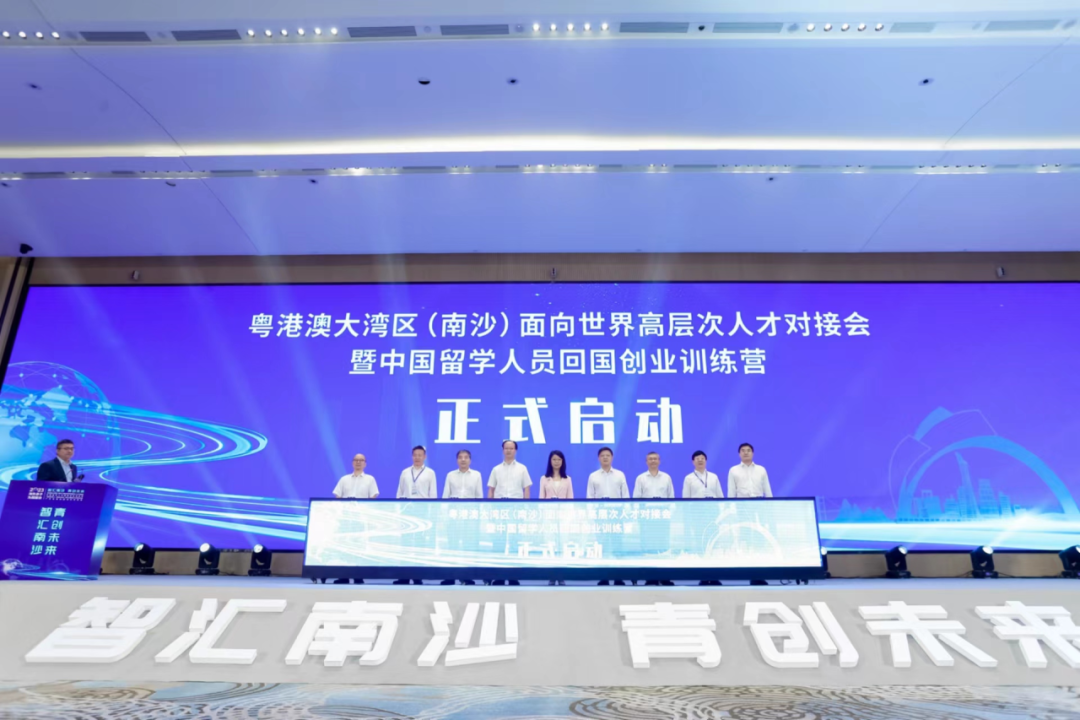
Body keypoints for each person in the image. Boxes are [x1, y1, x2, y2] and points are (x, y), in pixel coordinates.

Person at [488, 440, 532, 585]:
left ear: (515, 451)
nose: (508, 451)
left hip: (516, 509)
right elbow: (491, 490)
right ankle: (499, 576)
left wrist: (525, 508)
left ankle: (513, 576)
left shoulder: (522, 468)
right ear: (502, 450)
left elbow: (526, 489)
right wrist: (491, 509)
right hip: (499, 509)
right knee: (498, 542)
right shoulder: (496, 469)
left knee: (514, 542)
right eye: (506, 448)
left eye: (511, 448)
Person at [727, 442, 772, 585]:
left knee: (760, 536)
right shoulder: (733, 470)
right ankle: (748, 570)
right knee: (745, 537)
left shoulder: (761, 469)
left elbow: (767, 489)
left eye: (748, 450)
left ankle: (759, 574)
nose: (746, 453)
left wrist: (771, 505)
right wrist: (732, 508)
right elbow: (731, 491)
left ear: (753, 453)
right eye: (743, 450)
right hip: (742, 505)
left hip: (759, 504)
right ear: (739, 454)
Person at [330, 453, 378, 584]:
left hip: (360, 519)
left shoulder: (370, 479)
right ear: (352, 463)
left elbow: (373, 497)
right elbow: (337, 495)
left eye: (361, 460)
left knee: (359, 546)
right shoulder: (344, 479)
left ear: (365, 464)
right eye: (356, 460)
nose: (358, 462)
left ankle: (358, 576)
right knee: (343, 546)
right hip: (345, 519)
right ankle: (343, 576)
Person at [395, 445, 438, 585]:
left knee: (420, 543)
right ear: (412, 456)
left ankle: (418, 575)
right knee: (405, 543)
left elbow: (433, 494)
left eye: (420, 455)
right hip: (407, 511)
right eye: (415, 455)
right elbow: (399, 492)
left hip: (422, 511)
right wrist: (399, 511)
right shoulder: (405, 472)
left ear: (425, 457)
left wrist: (431, 514)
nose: (417, 457)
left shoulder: (430, 473)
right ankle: (404, 576)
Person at [587, 447, 629, 586]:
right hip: (600, 514)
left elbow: (625, 495)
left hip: (617, 514)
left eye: (608, 455)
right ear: (599, 458)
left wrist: (626, 514)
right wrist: (592, 515)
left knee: (618, 546)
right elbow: (590, 497)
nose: (605, 458)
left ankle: (618, 577)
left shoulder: (620, 475)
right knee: (602, 547)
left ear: (612, 457)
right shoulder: (593, 476)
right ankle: (603, 577)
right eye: (602, 455)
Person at [633, 451, 675, 586]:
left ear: (659, 461)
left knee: (663, 547)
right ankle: (650, 577)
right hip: (647, 516)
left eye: (655, 459)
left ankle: (664, 577)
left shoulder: (666, 477)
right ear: (646, 462)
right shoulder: (641, 478)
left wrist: (669, 514)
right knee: (648, 547)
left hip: (662, 516)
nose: (653, 461)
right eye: (650, 459)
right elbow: (636, 498)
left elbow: (671, 497)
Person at [442, 449, 483, 585]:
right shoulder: (450, 475)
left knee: (468, 546)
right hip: (453, 515)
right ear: (457, 460)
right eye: (460, 457)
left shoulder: (476, 475)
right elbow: (445, 496)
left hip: (470, 516)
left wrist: (478, 517)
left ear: (470, 460)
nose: (463, 460)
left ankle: (467, 576)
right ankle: (450, 576)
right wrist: (444, 515)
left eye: (466, 457)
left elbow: (479, 497)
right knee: (452, 546)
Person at [683, 450, 724, 586]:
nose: (700, 460)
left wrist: (721, 513)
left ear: (706, 461)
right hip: (697, 512)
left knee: (713, 542)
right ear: (693, 462)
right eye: (697, 458)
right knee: (700, 542)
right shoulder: (689, 478)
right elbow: (686, 499)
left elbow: (720, 496)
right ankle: (703, 575)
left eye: (702, 458)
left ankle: (714, 575)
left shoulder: (713, 477)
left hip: (712, 511)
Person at [539, 450, 572, 585]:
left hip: (563, 517)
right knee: (550, 545)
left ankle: (561, 575)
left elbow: (570, 499)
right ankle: (551, 575)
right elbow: (541, 499)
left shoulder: (567, 479)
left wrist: (569, 517)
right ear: (550, 461)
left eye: (559, 459)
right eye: (554, 459)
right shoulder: (544, 478)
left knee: (562, 546)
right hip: (549, 517)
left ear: (562, 462)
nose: (556, 462)